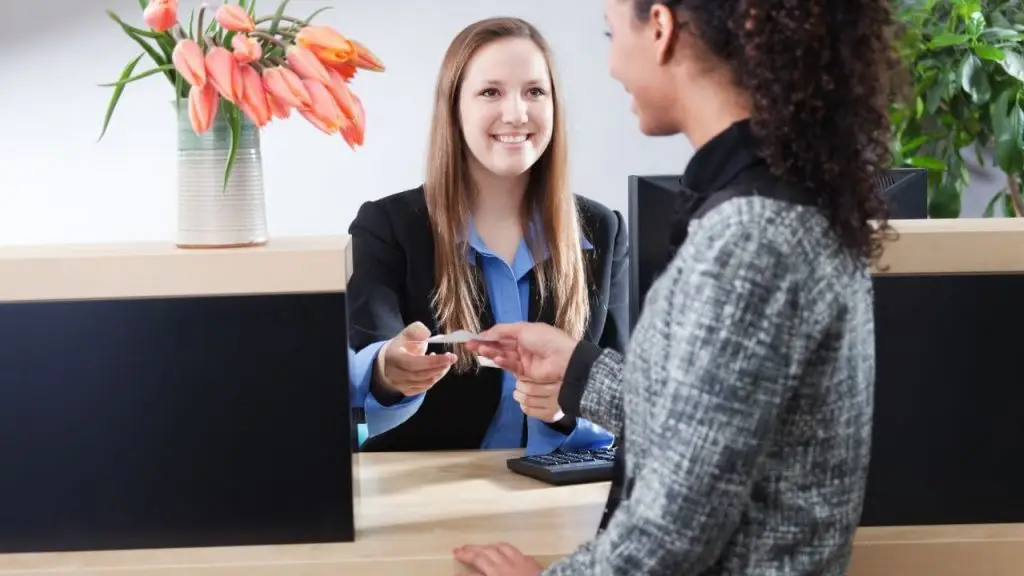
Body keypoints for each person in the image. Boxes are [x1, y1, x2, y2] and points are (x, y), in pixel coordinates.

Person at [453, 0, 900, 574]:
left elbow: (671, 534)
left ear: (660, 29)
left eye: (612, 33)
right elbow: (716, 424)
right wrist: (580, 371)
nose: (612, 64)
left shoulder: (749, 238)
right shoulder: (778, 203)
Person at [347, 17, 629, 455]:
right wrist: (389, 370)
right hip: (428, 488)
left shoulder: (601, 228)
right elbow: (366, 364)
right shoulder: (387, 226)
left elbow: (625, 393)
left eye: (535, 92)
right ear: (454, 108)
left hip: (555, 487)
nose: (516, 113)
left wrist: (567, 411)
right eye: (491, 92)